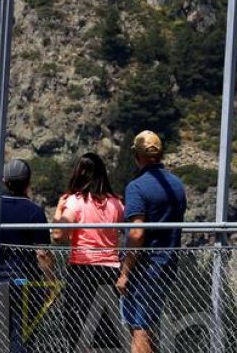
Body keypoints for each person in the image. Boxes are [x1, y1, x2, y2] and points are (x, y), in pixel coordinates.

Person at [117, 132, 186, 353]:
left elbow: (136, 233)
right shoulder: (177, 186)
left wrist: (125, 272)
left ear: (137, 156)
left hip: (143, 268)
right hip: (167, 264)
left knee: (139, 329)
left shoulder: (136, 187)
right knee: (147, 326)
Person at [0, 159, 55, 353]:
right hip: (25, 282)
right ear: (28, 182)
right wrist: (50, 281)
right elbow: (42, 253)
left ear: (5, 181)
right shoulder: (35, 212)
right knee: (23, 338)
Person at [53, 153, 125, 352]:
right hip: (110, 271)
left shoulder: (75, 202)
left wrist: (59, 210)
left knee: (77, 325)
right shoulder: (116, 203)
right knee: (107, 330)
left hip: (83, 271)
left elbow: (58, 235)